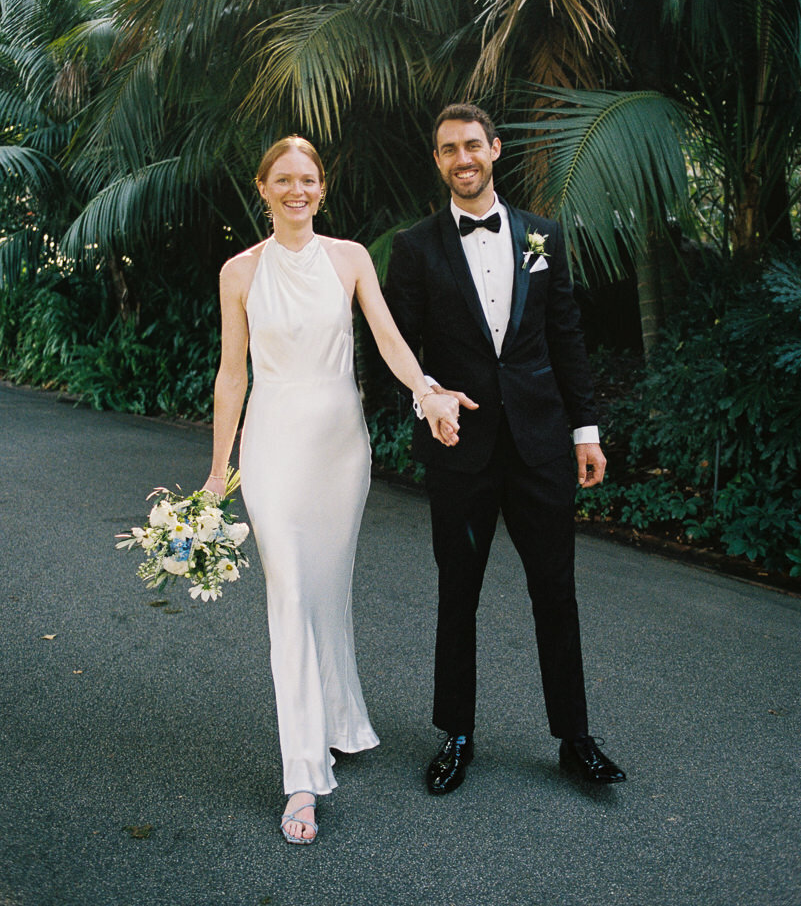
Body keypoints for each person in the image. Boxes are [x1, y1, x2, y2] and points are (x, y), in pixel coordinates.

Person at [202, 136, 461, 844]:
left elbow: (389, 340)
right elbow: (233, 375)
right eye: (282, 179)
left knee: (325, 591)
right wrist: (217, 469)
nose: (296, 189)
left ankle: (341, 721)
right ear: (262, 188)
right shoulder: (238, 272)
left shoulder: (348, 259)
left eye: (307, 179)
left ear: (322, 188)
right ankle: (302, 777)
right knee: (288, 596)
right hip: (272, 447)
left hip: (339, 450)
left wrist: (428, 393)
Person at [384, 103, 626, 794]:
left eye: (471, 145)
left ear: (494, 149)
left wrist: (585, 431)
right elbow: (398, 347)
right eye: (447, 149)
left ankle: (574, 738)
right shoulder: (414, 246)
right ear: (436, 161)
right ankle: (456, 735)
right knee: (457, 595)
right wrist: (426, 397)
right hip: (458, 449)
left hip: (541, 446)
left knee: (555, 592)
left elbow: (565, 338)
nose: (461, 158)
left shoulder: (540, 236)